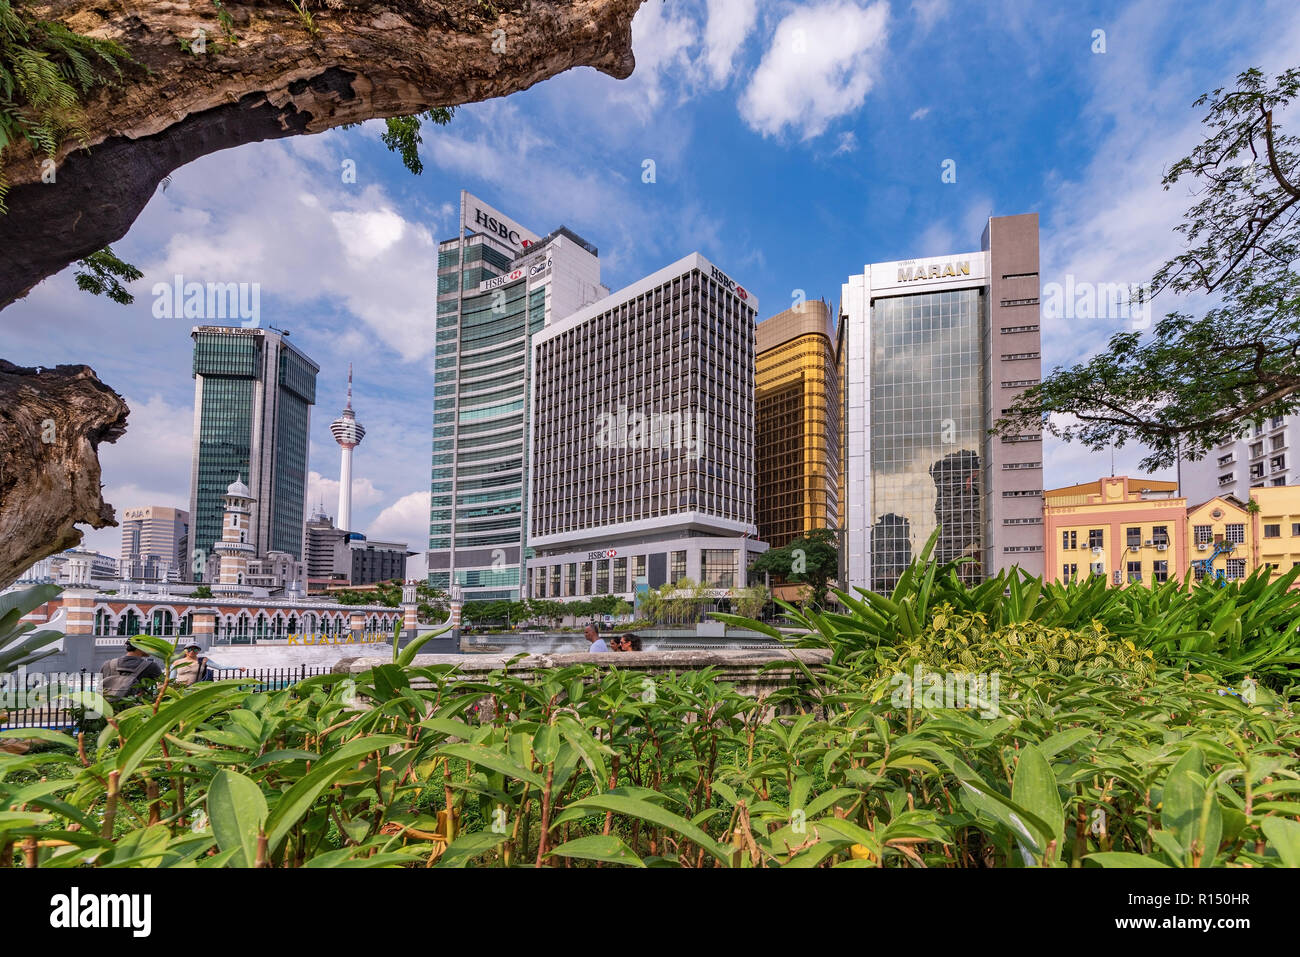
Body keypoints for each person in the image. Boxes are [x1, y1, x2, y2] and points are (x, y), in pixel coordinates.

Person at [100, 639, 164, 703]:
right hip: (137, 710)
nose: (151, 649)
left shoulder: (108, 664)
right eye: (149, 646)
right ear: (139, 647)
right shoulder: (151, 666)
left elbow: (99, 689)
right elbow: (163, 687)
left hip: (110, 708)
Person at [170, 644, 246, 686]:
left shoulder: (203, 660)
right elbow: (171, 679)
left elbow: (220, 667)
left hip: (195, 688)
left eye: (195, 650)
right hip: (180, 688)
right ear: (185, 651)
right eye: (190, 649)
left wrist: (237, 667)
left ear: (198, 651)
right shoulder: (177, 662)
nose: (192, 651)